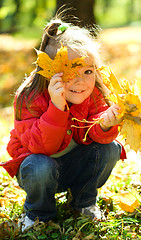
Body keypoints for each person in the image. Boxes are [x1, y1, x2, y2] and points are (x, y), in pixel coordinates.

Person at [0, 12, 126, 231]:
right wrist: (57, 108)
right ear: (49, 72)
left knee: (110, 148)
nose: (80, 81)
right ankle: (38, 212)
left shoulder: (93, 91)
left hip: (75, 165)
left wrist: (104, 123)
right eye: (69, 72)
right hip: (39, 169)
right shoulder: (30, 96)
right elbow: (40, 148)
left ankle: (83, 202)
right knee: (39, 165)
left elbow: (94, 131)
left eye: (87, 71)